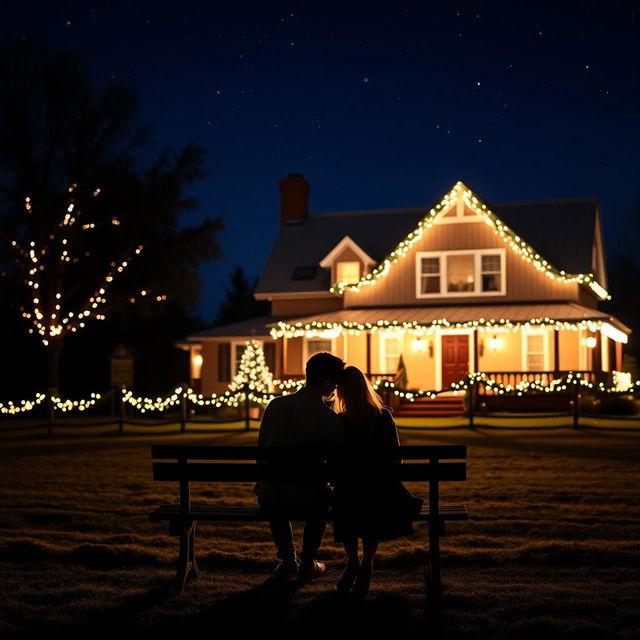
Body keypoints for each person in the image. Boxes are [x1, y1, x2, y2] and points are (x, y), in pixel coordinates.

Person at [331, 366, 423, 598]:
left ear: (341, 392)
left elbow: (332, 460)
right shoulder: (382, 416)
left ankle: (352, 560)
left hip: (348, 491)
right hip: (383, 490)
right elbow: (396, 457)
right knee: (374, 498)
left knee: (344, 499)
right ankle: (368, 562)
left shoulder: (339, 421)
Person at [255, 351, 345, 582]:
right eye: (334, 382)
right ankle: (307, 562)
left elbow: (261, 450)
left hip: (271, 493)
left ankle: (287, 560)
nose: (336, 387)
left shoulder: (275, 405)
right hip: (309, 496)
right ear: (326, 382)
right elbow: (336, 465)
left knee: (274, 490)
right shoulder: (329, 418)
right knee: (323, 496)